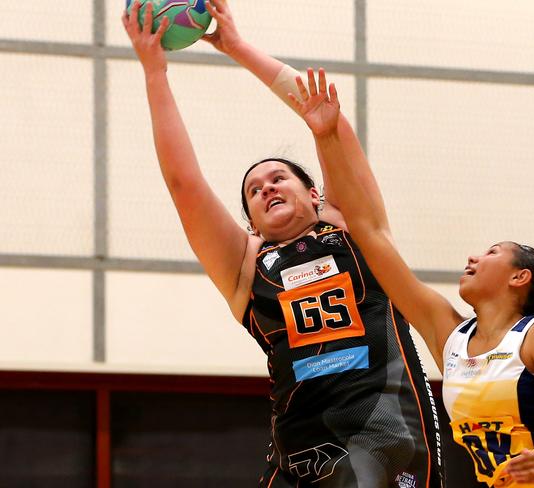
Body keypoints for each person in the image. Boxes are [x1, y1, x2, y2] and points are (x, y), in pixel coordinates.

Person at [122, 1, 445, 486]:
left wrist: (234, 45)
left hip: (385, 429)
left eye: (278, 179)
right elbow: (183, 183)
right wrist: (155, 72)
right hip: (300, 446)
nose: (267, 188)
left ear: (315, 195)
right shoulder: (246, 265)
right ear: (250, 223)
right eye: (255, 191)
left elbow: (327, 119)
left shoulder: (354, 227)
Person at [288, 67, 534, 487]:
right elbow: (369, 234)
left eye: (492, 252)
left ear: (519, 277)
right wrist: (327, 137)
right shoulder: (450, 336)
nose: (474, 256)